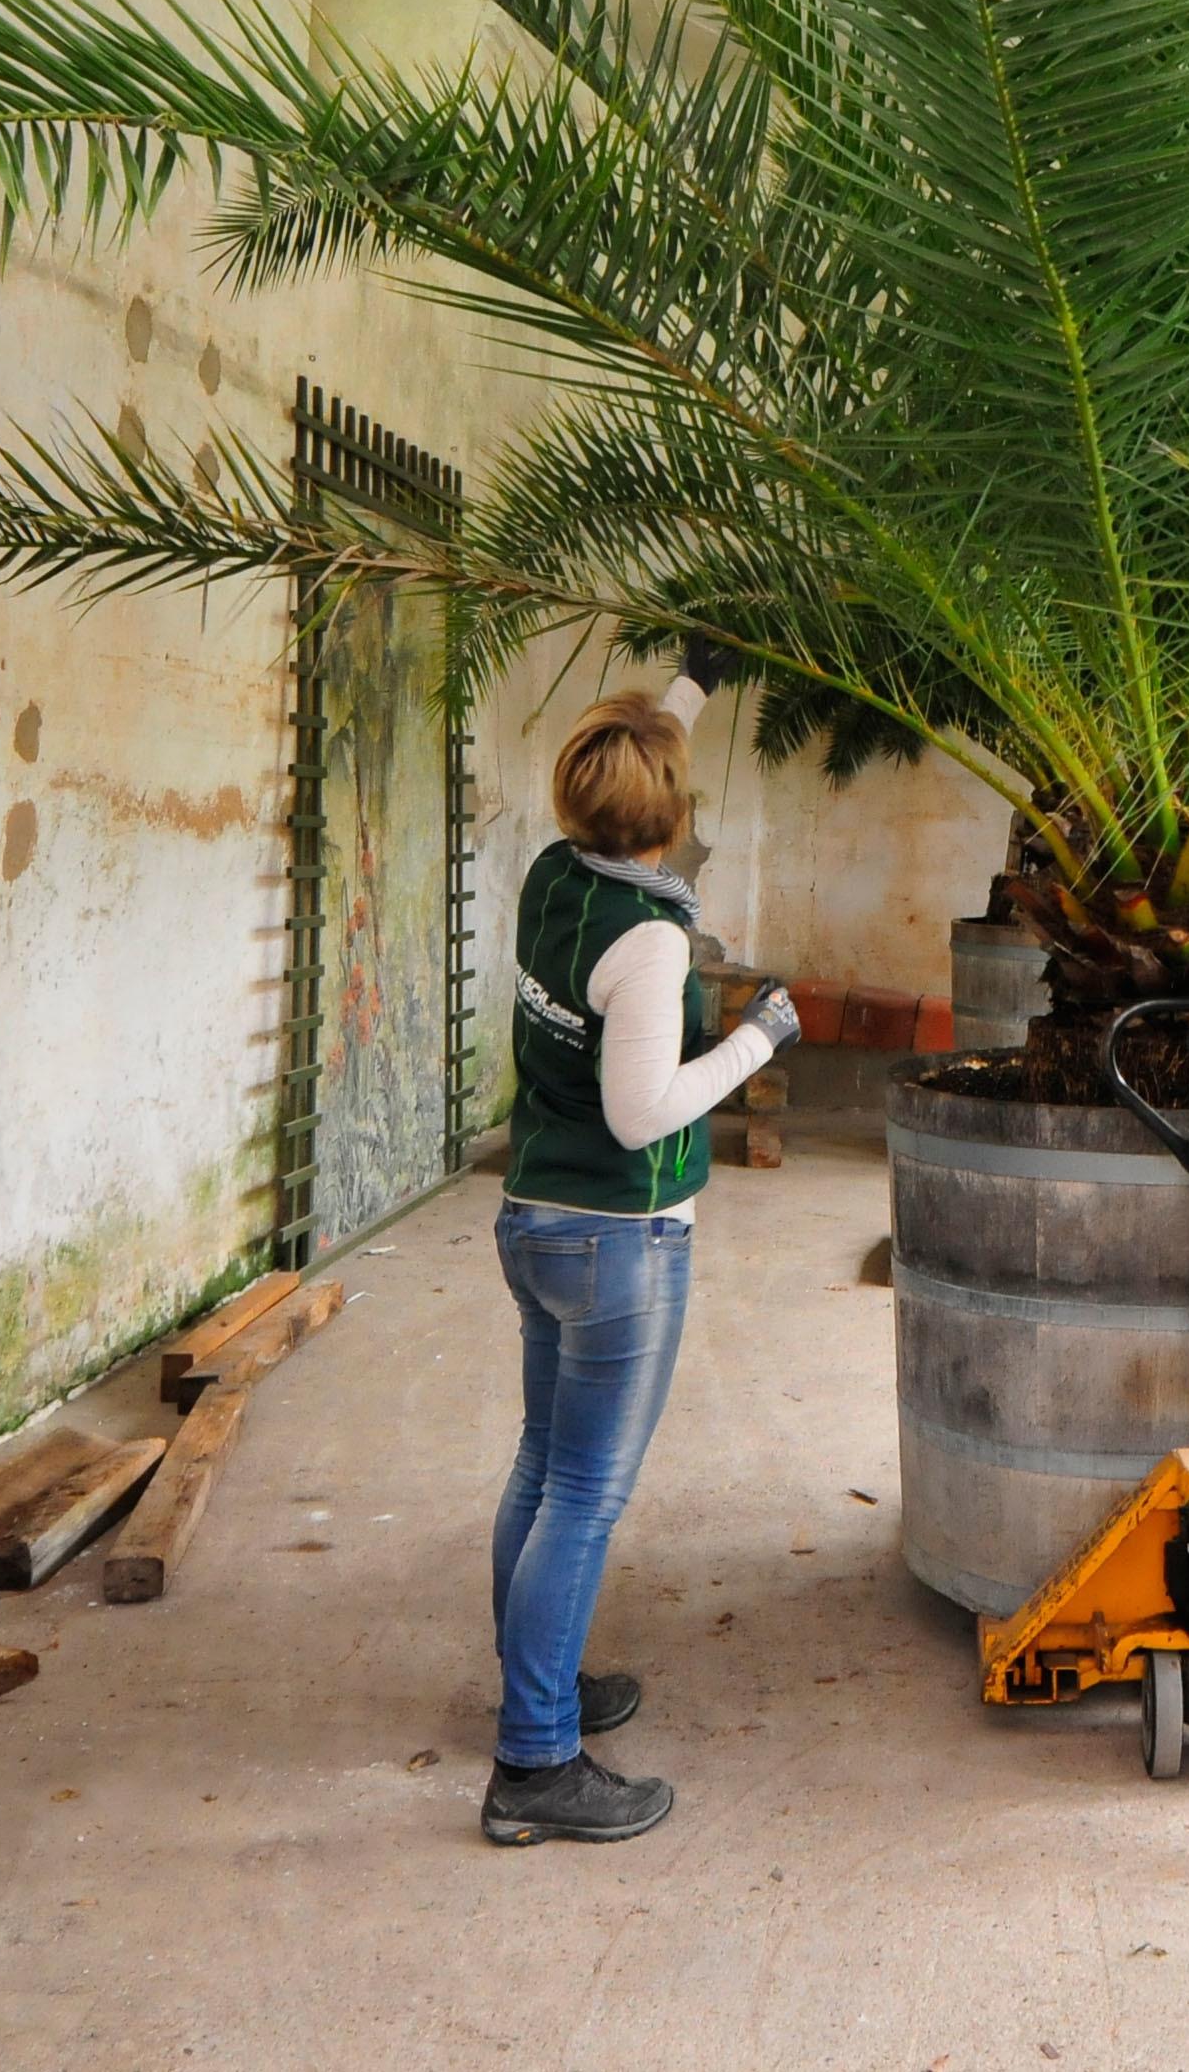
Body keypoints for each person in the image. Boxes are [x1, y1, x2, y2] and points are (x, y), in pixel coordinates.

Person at [480, 654, 802, 1847]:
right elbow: (642, 1111)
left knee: (542, 1466)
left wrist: (696, 673)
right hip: (619, 1242)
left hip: (536, 1222)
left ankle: (537, 1687)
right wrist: (761, 1039)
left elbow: (641, 747)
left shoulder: (554, 873)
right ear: (670, 818)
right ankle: (535, 1761)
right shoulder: (651, 944)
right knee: (584, 1494)